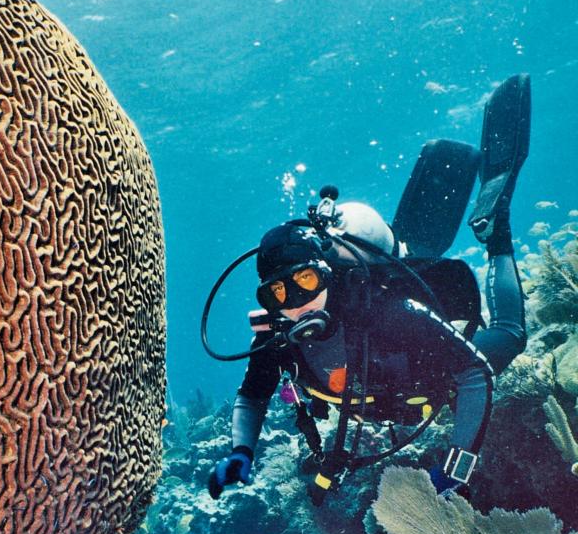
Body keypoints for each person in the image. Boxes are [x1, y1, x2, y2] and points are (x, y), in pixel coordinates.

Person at [206, 75, 530, 503]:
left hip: (436, 379)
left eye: (306, 282)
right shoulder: (278, 340)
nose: (298, 304)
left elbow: (473, 373)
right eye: (280, 294)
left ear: (326, 274)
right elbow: (251, 396)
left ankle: (497, 228)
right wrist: (241, 452)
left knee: (511, 333)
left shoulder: (385, 312)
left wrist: (458, 466)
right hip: (386, 402)